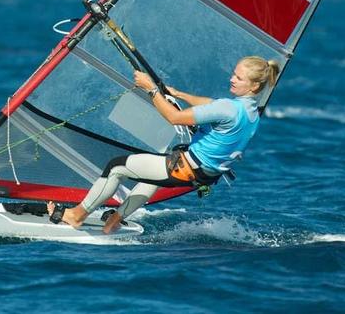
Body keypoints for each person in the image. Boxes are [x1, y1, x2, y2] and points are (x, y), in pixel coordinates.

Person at [47, 56, 280, 233]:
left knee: (117, 166)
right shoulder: (251, 112)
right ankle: (113, 223)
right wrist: (177, 93)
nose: (232, 78)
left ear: (254, 87)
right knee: (152, 174)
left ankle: (76, 215)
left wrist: (151, 89)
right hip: (203, 175)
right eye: (234, 73)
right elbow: (213, 104)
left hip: (185, 167)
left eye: (238, 78)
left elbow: (174, 118)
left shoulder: (227, 108)